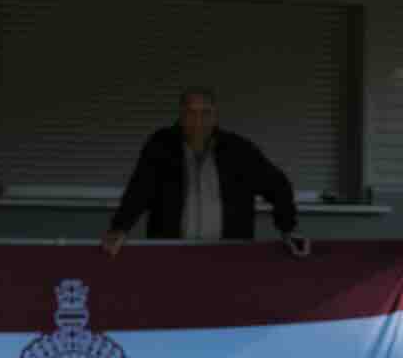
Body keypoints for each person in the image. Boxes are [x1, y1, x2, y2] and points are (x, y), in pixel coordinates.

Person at [102, 87, 308, 257]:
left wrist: (288, 228)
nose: (198, 120)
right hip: (171, 254)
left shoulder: (238, 150)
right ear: (181, 115)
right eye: (191, 113)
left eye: (205, 113)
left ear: (215, 116)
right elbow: (139, 190)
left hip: (229, 256)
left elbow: (278, 186)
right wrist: (119, 227)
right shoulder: (160, 146)